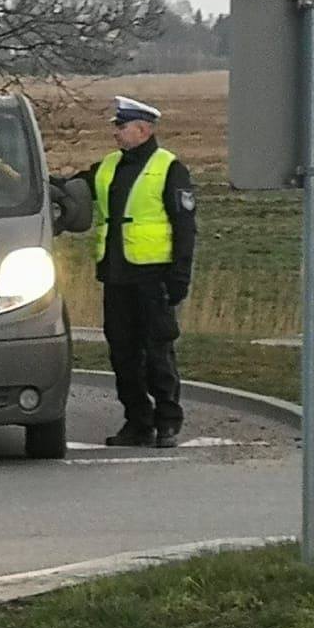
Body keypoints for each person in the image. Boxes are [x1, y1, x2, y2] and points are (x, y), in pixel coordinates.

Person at [65, 96, 197, 448]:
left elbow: (185, 228)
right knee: (122, 353)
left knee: (157, 352)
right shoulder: (108, 166)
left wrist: (179, 278)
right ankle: (137, 422)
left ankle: (168, 420)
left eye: (121, 127)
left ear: (143, 129)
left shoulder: (169, 168)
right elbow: (72, 189)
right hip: (117, 275)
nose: (116, 134)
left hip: (154, 277)